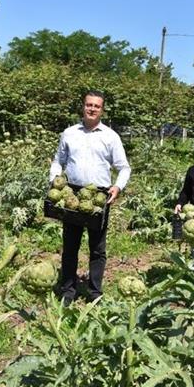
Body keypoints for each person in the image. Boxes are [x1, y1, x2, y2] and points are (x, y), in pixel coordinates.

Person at [49, 90, 131, 304]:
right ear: (83, 106)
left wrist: (117, 187)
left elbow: (124, 168)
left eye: (96, 106)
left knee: (97, 248)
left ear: (102, 109)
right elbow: (58, 161)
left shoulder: (110, 136)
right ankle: (68, 290)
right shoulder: (69, 133)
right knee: (70, 245)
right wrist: (54, 180)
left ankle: (95, 292)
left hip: (99, 197)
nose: (92, 108)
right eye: (89, 105)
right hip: (72, 195)